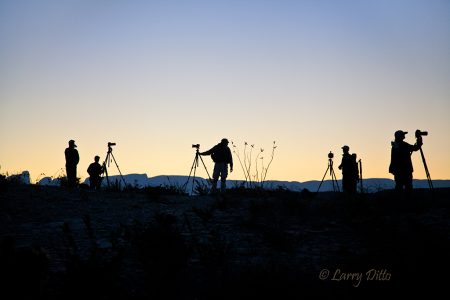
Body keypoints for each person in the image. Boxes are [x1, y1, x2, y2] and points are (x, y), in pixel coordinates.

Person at [389, 130, 422, 197]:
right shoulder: (400, 145)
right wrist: (419, 141)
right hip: (403, 170)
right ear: (400, 136)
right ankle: (405, 202)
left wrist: (419, 141)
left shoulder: (397, 145)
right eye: (403, 135)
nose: (404, 136)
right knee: (405, 187)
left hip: (401, 170)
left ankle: (402, 201)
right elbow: (414, 148)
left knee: (401, 187)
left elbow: (414, 148)